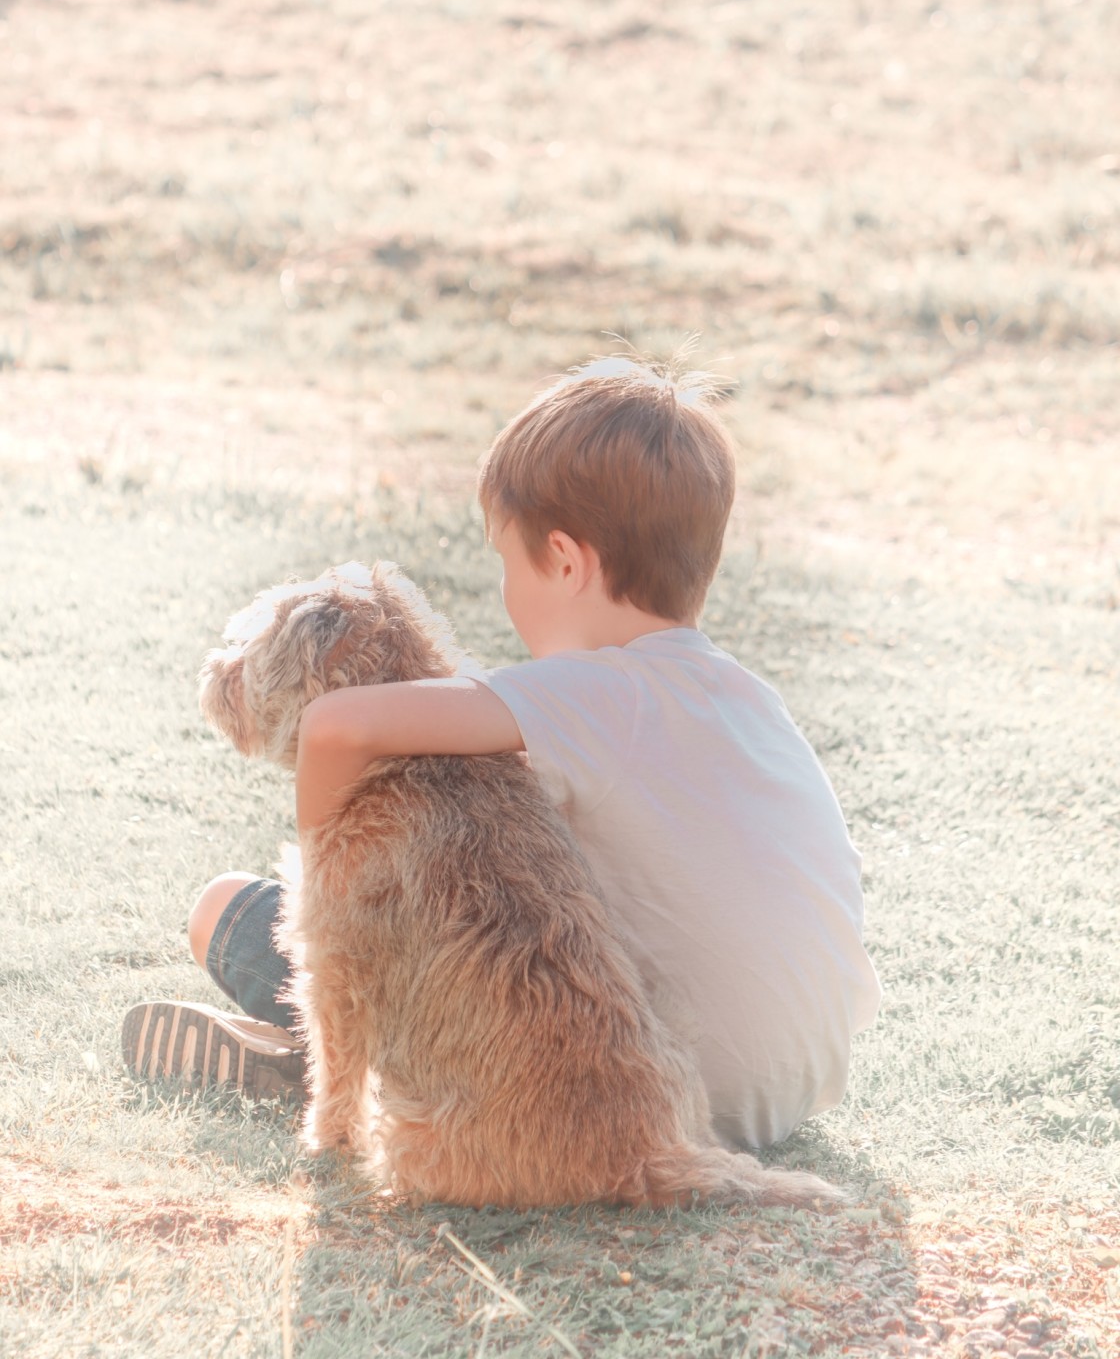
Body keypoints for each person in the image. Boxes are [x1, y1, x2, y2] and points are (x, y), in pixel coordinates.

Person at [122, 355, 880, 1148]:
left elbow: (337, 725)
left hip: (646, 1095)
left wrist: (328, 902)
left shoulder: (593, 694)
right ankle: (343, 1067)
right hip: (794, 1088)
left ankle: (329, 1067)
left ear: (563, 559)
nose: (503, 591)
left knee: (229, 914)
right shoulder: (751, 700)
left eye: (505, 561)